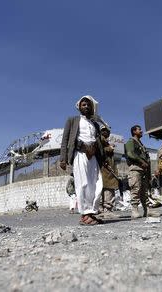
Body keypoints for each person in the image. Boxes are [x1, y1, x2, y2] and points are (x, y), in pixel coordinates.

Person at [59, 95, 104, 225]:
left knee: (96, 184)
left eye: (88, 104)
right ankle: (85, 215)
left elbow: (98, 141)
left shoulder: (95, 124)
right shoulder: (72, 120)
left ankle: (92, 213)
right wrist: (63, 159)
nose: (86, 106)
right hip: (80, 154)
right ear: (79, 107)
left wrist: (102, 157)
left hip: (94, 156)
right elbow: (65, 140)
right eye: (83, 104)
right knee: (83, 184)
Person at [124, 125, 158, 219]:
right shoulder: (131, 142)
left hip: (143, 170)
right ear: (134, 131)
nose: (141, 131)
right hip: (135, 169)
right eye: (139, 129)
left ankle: (147, 210)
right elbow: (130, 154)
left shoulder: (140, 144)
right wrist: (141, 161)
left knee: (144, 191)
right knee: (135, 189)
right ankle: (134, 210)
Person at [99, 126, 120, 219]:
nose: (106, 132)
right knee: (108, 188)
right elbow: (98, 151)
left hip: (105, 169)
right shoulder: (100, 140)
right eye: (104, 130)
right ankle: (107, 211)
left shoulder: (104, 141)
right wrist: (109, 148)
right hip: (105, 169)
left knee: (103, 189)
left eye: (107, 131)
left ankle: (102, 211)